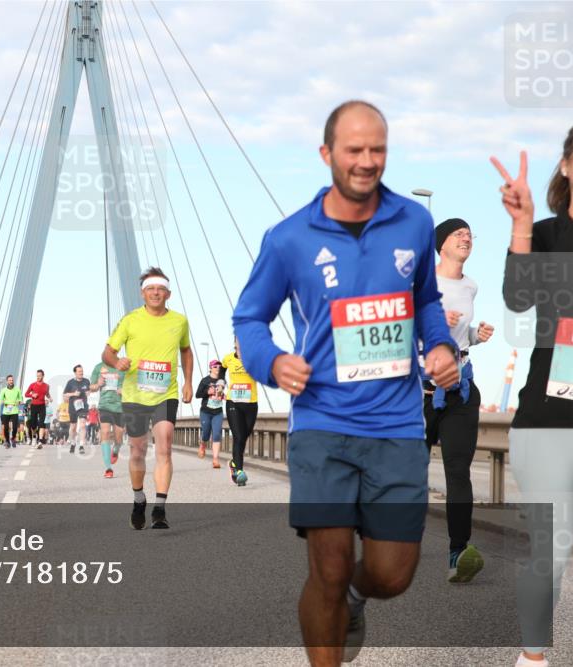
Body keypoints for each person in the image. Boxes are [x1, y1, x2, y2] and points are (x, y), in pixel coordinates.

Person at [233, 101, 458, 666]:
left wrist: (439, 344)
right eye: (354, 150)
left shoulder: (414, 222)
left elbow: (427, 300)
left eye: (377, 149)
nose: (366, 161)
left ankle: (357, 599)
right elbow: (249, 320)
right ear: (326, 153)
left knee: (392, 573)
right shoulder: (288, 238)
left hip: (397, 425)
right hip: (323, 423)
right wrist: (273, 361)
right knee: (327, 569)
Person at [493, 131, 573, 667]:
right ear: (567, 166)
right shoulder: (546, 237)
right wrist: (521, 227)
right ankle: (533, 657)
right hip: (552, 417)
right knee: (552, 550)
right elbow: (518, 298)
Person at [424, 218, 495, 583]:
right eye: (459, 233)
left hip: (460, 390)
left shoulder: (470, 286)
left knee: (457, 472)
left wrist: (475, 334)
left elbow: (459, 334)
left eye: (470, 233)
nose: (467, 237)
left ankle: (458, 552)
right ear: (441, 244)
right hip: (419, 392)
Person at [103, 267, 193, 530]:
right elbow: (107, 352)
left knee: (164, 445)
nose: (156, 292)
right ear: (143, 293)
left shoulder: (179, 321)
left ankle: (160, 508)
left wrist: (188, 382)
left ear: (168, 294)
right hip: (135, 395)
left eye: (160, 289)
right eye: (151, 288)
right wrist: (116, 361)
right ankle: (139, 498)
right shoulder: (130, 320)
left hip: (166, 394)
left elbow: (186, 352)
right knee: (138, 449)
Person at [221, 339, 258, 486]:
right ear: (235, 343)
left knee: (244, 436)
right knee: (238, 436)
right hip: (233, 403)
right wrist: (220, 383)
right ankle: (239, 471)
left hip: (251, 403)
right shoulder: (228, 358)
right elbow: (222, 368)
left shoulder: (254, 357)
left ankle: (233, 464)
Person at [90, 359, 125, 478]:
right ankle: (108, 468)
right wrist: (98, 384)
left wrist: (124, 391)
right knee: (104, 433)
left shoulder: (123, 367)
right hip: (104, 405)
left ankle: (116, 449)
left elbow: (133, 386)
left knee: (118, 436)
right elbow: (92, 387)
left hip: (120, 407)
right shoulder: (98, 367)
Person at [195, 360, 227, 469]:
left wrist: (224, 397)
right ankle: (203, 445)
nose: (218, 368)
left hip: (218, 411)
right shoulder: (205, 381)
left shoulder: (222, 381)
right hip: (206, 411)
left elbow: (220, 394)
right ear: (211, 368)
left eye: (219, 366)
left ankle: (215, 459)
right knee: (206, 434)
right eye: (215, 366)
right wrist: (207, 392)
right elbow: (197, 394)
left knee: (217, 434)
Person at [64, 365, 91, 454]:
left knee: (83, 424)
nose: (81, 373)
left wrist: (88, 392)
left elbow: (89, 390)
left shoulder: (86, 381)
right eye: (79, 371)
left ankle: (81, 445)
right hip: (73, 406)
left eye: (82, 371)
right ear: (75, 373)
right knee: (73, 427)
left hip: (83, 406)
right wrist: (73, 394)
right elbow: (65, 395)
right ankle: (73, 443)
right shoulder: (70, 382)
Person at [25, 369, 51, 448]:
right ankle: (34, 438)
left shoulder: (46, 386)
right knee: (33, 424)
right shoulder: (32, 385)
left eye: (39, 376)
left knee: (41, 423)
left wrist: (50, 398)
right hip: (34, 406)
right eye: (37, 376)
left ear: (43, 376)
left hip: (42, 406)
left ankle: (40, 441)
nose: (38, 377)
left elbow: (47, 394)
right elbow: (26, 394)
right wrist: (32, 395)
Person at [0, 374, 23, 449]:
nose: (11, 381)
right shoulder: (4, 390)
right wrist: (3, 401)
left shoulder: (17, 389)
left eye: (12, 380)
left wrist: (19, 401)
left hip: (14, 411)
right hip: (6, 411)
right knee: (6, 428)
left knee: (15, 428)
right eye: (9, 380)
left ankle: (13, 438)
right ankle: (7, 441)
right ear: (7, 381)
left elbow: (20, 399)